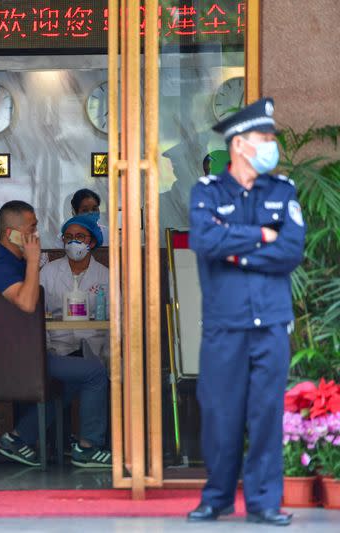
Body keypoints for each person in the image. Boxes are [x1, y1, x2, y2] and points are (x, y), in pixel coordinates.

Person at [186, 98, 305, 526]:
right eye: (264, 138)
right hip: (225, 325)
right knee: (220, 415)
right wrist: (260, 235)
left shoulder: (283, 191)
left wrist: (235, 250)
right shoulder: (207, 192)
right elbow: (203, 241)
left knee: (266, 415)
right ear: (239, 145)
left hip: (270, 324)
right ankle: (216, 498)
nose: (272, 145)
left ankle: (264, 503)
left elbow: (291, 252)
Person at [0, 200, 111, 468]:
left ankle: (17, 438)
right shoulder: (0, 263)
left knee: (75, 379)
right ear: (11, 234)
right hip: (11, 359)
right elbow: (27, 303)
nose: (36, 234)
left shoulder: (13, 262)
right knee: (95, 372)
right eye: (32, 228)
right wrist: (34, 260)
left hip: (24, 353)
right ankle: (88, 447)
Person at [40, 214, 109, 366]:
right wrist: (47, 351)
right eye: (68, 237)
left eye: (80, 236)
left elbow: (117, 319)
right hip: (58, 351)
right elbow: (37, 315)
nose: (73, 241)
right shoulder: (48, 272)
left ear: (91, 242)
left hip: (94, 352)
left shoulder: (105, 275)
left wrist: (107, 359)